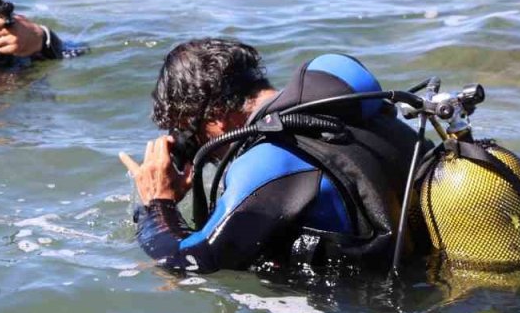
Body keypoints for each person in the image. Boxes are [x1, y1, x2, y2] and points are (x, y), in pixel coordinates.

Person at [119, 38, 421, 274]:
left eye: (190, 133)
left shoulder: (273, 160)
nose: (201, 152)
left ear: (215, 117)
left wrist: (157, 207)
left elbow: (192, 261)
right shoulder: (342, 107)